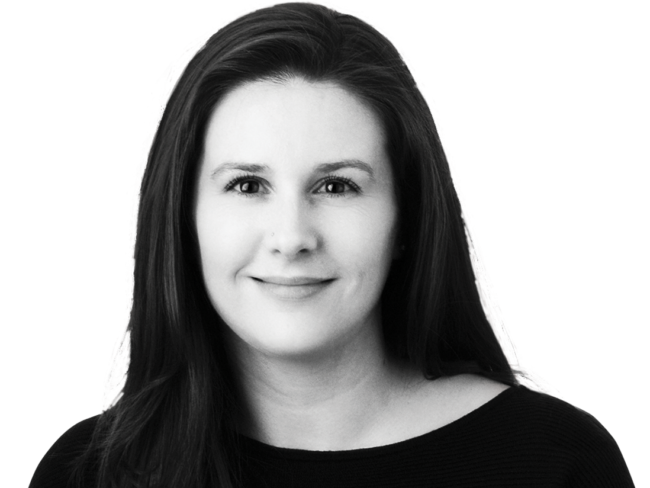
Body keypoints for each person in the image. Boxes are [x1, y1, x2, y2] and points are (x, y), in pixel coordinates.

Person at [29, 1, 635, 487]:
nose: (292, 237)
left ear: (407, 219)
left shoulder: (558, 463)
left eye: (337, 186)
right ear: (183, 218)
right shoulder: (88, 473)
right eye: (247, 185)